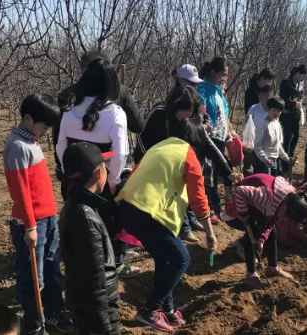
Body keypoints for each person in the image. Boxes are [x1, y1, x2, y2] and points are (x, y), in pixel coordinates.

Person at [116, 118, 218, 332]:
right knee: (182, 258)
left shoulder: (162, 145)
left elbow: (137, 171)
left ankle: (168, 309)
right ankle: (150, 310)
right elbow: (198, 198)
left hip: (127, 207)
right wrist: (210, 234)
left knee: (165, 258)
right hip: (147, 212)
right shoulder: (188, 156)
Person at [56, 58, 139, 279]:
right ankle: (110, 270)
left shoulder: (69, 109)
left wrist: (69, 172)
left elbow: (60, 145)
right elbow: (120, 154)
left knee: (78, 224)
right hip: (100, 182)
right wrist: (112, 183)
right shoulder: (115, 114)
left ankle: (78, 267)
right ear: (111, 84)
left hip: (73, 181)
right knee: (106, 228)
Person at [3, 94, 73, 335]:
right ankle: (34, 324)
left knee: (52, 267)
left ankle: (54, 310)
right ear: (28, 118)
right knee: (34, 277)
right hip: (32, 223)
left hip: (47, 217)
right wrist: (30, 227)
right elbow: (21, 191)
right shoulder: (17, 146)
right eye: (44, 126)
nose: (46, 131)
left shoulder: (30, 140)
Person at [135, 85, 240, 240]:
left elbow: (207, 144)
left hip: (172, 165)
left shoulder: (192, 120)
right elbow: (140, 136)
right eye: (180, 110)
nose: (184, 114)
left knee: (181, 193)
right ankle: (153, 231)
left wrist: (228, 172)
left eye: (188, 110)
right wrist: (150, 160)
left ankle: (185, 224)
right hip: (149, 162)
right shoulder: (159, 113)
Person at [60, 142, 121, 335]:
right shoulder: (85, 218)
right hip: (97, 311)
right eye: (105, 166)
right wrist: (104, 326)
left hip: (87, 307)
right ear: (98, 174)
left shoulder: (76, 204)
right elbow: (94, 278)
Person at [54, 50, 143, 180]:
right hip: (108, 169)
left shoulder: (69, 97)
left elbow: (59, 137)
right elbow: (138, 126)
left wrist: (62, 166)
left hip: (73, 166)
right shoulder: (120, 93)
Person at [223, 174, 307, 290]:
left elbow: (271, 222)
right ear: (285, 209)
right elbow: (240, 191)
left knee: (272, 232)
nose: (285, 221)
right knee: (252, 234)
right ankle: (251, 275)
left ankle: (272, 269)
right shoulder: (267, 197)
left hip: (257, 208)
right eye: (288, 219)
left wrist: (262, 240)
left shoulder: (287, 199)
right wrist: (245, 216)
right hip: (237, 209)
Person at [197, 56, 230, 221]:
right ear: (212, 72)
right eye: (221, 75)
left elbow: (225, 112)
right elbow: (203, 112)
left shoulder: (219, 91)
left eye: (225, 76)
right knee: (208, 173)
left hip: (220, 138)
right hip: (209, 139)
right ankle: (209, 208)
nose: (223, 78)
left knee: (216, 173)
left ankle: (215, 206)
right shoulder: (202, 89)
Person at [254, 97, 290, 175]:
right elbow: (257, 146)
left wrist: (286, 158)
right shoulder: (263, 124)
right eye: (274, 110)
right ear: (268, 109)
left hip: (274, 161)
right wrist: (265, 160)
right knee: (265, 185)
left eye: (279, 111)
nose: (276, 113)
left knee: (273, 183)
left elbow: (278, 145)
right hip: (263, 162)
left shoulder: (277, 124)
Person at [279, 64, 307, 158]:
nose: (303, 78)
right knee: (288, 135)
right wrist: (294, 103)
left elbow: (301, 96)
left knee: (296, 135)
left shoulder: (300, 84)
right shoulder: (285, 83)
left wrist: (300, 101)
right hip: (285, 112)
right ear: (298, 73)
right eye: (303, 75)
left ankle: (291, 155)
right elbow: (283, 99)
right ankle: (284, 156)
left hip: (295, 113)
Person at [243, 84, 272, 175]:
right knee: (255, 167)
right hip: (254, 143)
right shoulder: (254, 108)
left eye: (269, 97)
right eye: (264, 97)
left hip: (268, 144)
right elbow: (247, 121)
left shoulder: (273, 110)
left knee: (266, 168)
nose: (266, 99)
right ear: (260, 96)